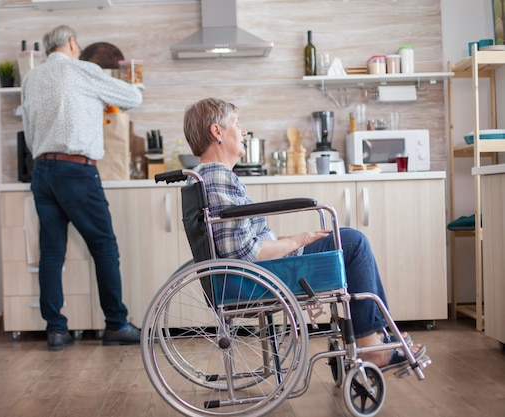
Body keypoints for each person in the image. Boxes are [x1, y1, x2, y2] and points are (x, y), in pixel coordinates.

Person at [182, 97, 426, 371]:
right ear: (217, 131)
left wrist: (289, 241)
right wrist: (296, 240)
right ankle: (371, 345)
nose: (243, 131)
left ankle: (375, 337)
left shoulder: (207, 176)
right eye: (237, 124)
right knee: (353, 243)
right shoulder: (219, 177)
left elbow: (240, 245)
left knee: (344, 239)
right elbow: (245, 252)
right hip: (257, 277)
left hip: (251, 274)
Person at [21, 25, 143, 350]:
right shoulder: (82, 69)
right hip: (76, 171)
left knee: (51, 252)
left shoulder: (31, 78)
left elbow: (29, 133)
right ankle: (116, 325)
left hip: (42, 170)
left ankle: (56, 330)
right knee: (104, 247)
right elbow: (133, 97)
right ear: (72, 43)